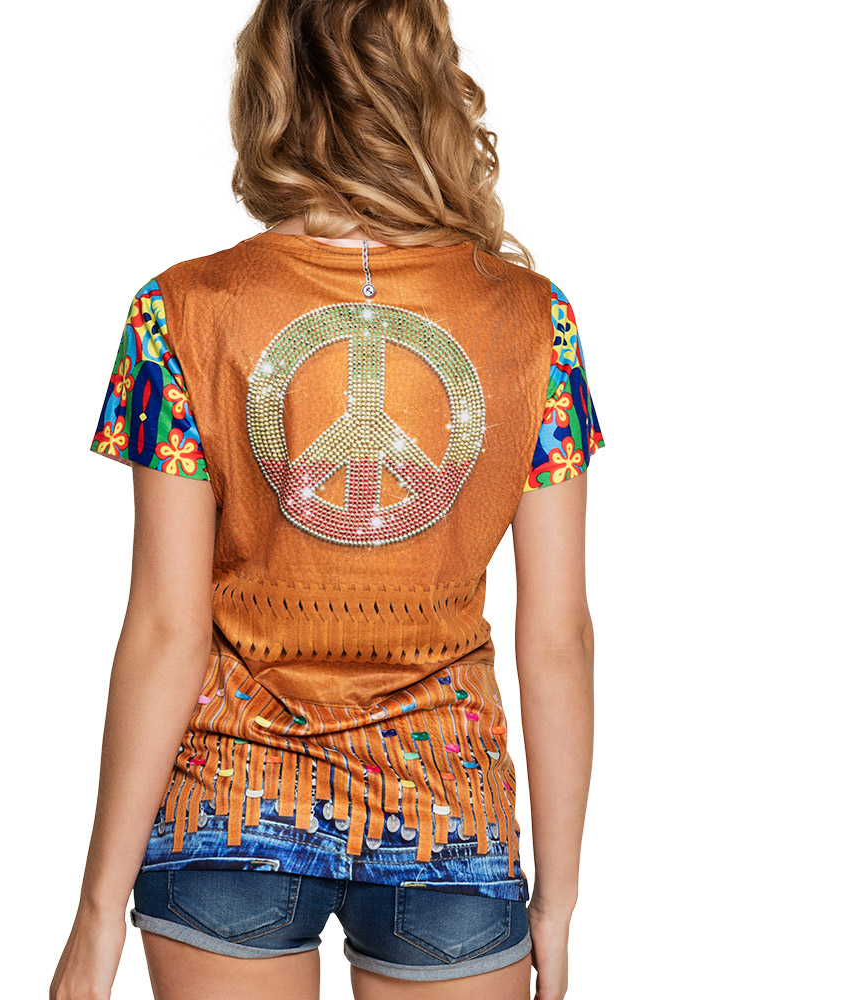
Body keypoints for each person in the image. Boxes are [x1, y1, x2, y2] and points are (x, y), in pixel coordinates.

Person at [50, 2, 603, 998]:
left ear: (270, 89)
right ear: (430, 87)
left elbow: (169, 627)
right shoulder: (534, 323)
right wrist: (555, 904)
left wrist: (95, 921)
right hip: (448, 816)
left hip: (229, 805)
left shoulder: (182, 312)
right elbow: (556, 635)